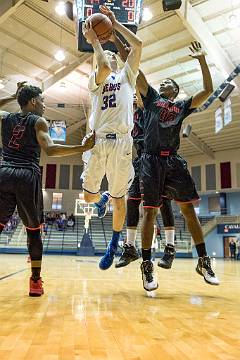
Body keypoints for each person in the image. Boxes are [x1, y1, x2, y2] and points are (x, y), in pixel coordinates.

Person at [135, 41, 219, 290]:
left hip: (172, 160)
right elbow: (137, 72)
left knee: (189, 211)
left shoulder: (181, 106)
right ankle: (147, 265)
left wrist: (202, 59)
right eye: (161, 83)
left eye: (167, 83)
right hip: (150, 160)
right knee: (149, 211)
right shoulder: (151, 99)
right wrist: (123, 43)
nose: (162, 84)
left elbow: (208, 89)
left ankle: (203, 260)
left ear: (175, 90)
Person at [0, 83, 95, 296]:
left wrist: (12, 97)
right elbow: (50, 150)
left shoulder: (5, 118)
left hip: (4, 173)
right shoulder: (38, 121)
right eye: (42, 100)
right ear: (33, 101)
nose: (44, 105)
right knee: (34, 232)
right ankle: (35, 282)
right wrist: (82, 147)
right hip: (26, 175)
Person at [82, 5, 142, 270]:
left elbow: (137, 45)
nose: (109, 57)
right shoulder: (96, 81)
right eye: (104, 56)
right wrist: (95, 44)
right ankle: (101, 197)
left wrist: (115, 25)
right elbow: (104, 63)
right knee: (87, 199)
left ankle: (113, 246)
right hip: (98, 143)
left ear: (121, 60)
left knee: (121, 201)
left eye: (113, 55)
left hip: (121, 142)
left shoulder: (128, 76)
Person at [115, 92, 176, 272]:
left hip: (159, 160)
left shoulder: (154, 110)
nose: (134, 97)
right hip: (141, 160)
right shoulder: (131, 116)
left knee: (164, 202)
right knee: (131, 201)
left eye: (138, 95)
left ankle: (170, 247)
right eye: (132, 96)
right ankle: (130, 248)